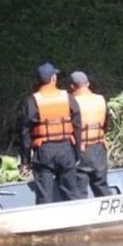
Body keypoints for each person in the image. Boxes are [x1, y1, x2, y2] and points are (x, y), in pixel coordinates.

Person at [19, 62, 78, 204]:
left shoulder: (32, 101)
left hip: (44, 151)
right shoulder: (67, 97)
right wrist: (78, 151)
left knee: (44, 195)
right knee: (71, 193)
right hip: (66, 149)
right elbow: (78, 124)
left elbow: (25, 132)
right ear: (53, 79)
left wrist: (25, 160)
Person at [69, 71, 114, 198]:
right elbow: (106, 123)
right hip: (99, 147)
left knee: (80, 188)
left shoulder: (72, 102)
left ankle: (82, 215)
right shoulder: (100, 99)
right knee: (101, 185)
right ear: (88, 84)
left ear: (72, 87)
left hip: (81, 149)